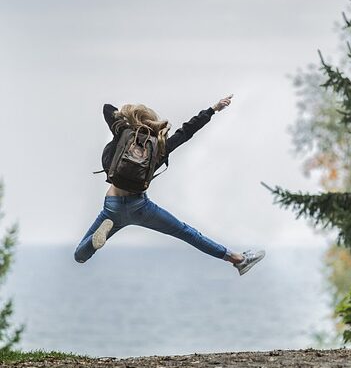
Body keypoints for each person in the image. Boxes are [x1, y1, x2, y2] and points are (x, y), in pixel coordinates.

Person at [74, 95, 265, 275]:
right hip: (140, 207)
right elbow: (187, 131)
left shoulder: (123, 133)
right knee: (186, 232)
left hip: (112, 206)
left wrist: (128, 121)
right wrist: (213, 109)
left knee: (80, 256)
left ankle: (94, 241)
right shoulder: (159, 146)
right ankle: (238, 259)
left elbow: (107, 108)